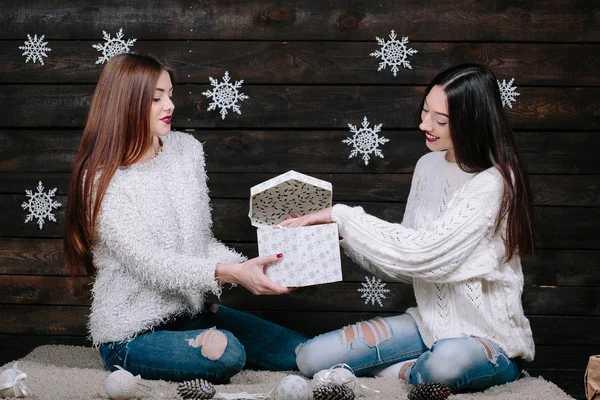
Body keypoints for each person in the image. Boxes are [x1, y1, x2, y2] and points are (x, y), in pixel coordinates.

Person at [282, 64, 536, 393]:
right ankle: (412, 368)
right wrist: (340, 235)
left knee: (444, 365)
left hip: (486, 338)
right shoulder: (427, 165)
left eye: (440, 120)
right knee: (312, 359)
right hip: (428, 323)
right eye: (425, 111)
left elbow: (423, 254)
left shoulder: (494, 181)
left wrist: (343, 217)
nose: (424, 125)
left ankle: (409, 371)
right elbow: (405, 263)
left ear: (471, 122)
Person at [63, 52, 308, 383]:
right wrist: (233, 274)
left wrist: (255, 268)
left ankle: (398, 366)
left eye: (170, 94)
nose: (170, 106)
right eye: (156, 98)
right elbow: (149, 262)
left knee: (306, 352)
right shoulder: (100, 180)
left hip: (190, 314)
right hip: (131, 335)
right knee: (229, 353)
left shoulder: (186, 150)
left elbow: (198, 243)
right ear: (126, 104)